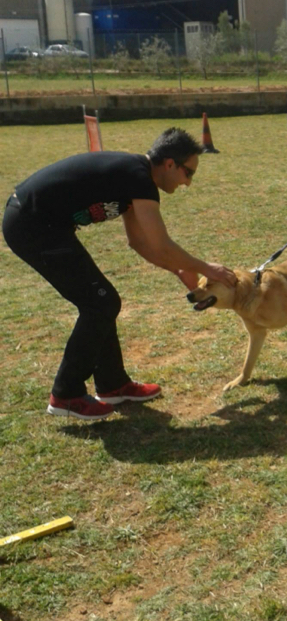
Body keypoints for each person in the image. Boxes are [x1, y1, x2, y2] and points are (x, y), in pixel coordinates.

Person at [2, 127, 236, 421]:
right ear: (169, 164)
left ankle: (113, 385)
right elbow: (161, 243)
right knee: (101, 303)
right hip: (31, 225)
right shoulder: (138, 176)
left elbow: (139, 242)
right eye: (188, 173)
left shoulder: (134, 177)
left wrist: (178, 269)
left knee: (100, 302)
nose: (188, 183)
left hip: (43, 226)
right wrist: (206, 268)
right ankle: (66, 394)